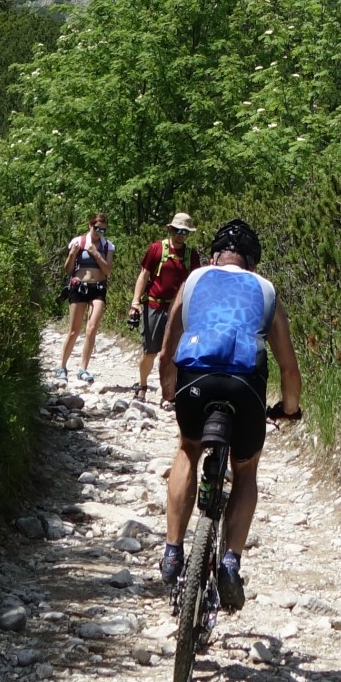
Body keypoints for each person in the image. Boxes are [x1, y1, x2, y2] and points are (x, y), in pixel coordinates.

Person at [157, 216, 301, 611]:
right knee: (246, 469)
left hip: (195, 381)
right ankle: (231, 562)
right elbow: (289, 369)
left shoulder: (194, 279)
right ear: (252, 262)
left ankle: (172, 551)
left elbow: (167, 348)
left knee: (188, 448)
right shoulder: (265, 289)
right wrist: (290, 409)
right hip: (245, 387)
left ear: (215, 256)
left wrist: (169, 389)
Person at [127, 210, 199, 405]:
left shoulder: (191, 255)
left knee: (175, 353)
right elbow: (144, 275)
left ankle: (170, 392)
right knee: (150, 350)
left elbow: (194, 283)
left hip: (178, 310)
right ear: (171, 229)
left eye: (184, 232)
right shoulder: (157, 249)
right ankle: (142, 385)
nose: (180, 235)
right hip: (154, 305)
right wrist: (135, 302)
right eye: (177, 230)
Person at [58, 212, 115, 383]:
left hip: (98, 289)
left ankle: (83, 369)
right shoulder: (78, 242)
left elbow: (108, 270)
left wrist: (96, 254)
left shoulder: (108, 246)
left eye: (103, 230)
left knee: (92, 328)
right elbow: (67, 270)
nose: (99, 232)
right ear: (90, 225)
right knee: (74, 330)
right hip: (79, 287)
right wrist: (72, 254)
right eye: (97, 228)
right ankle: (62, 367)